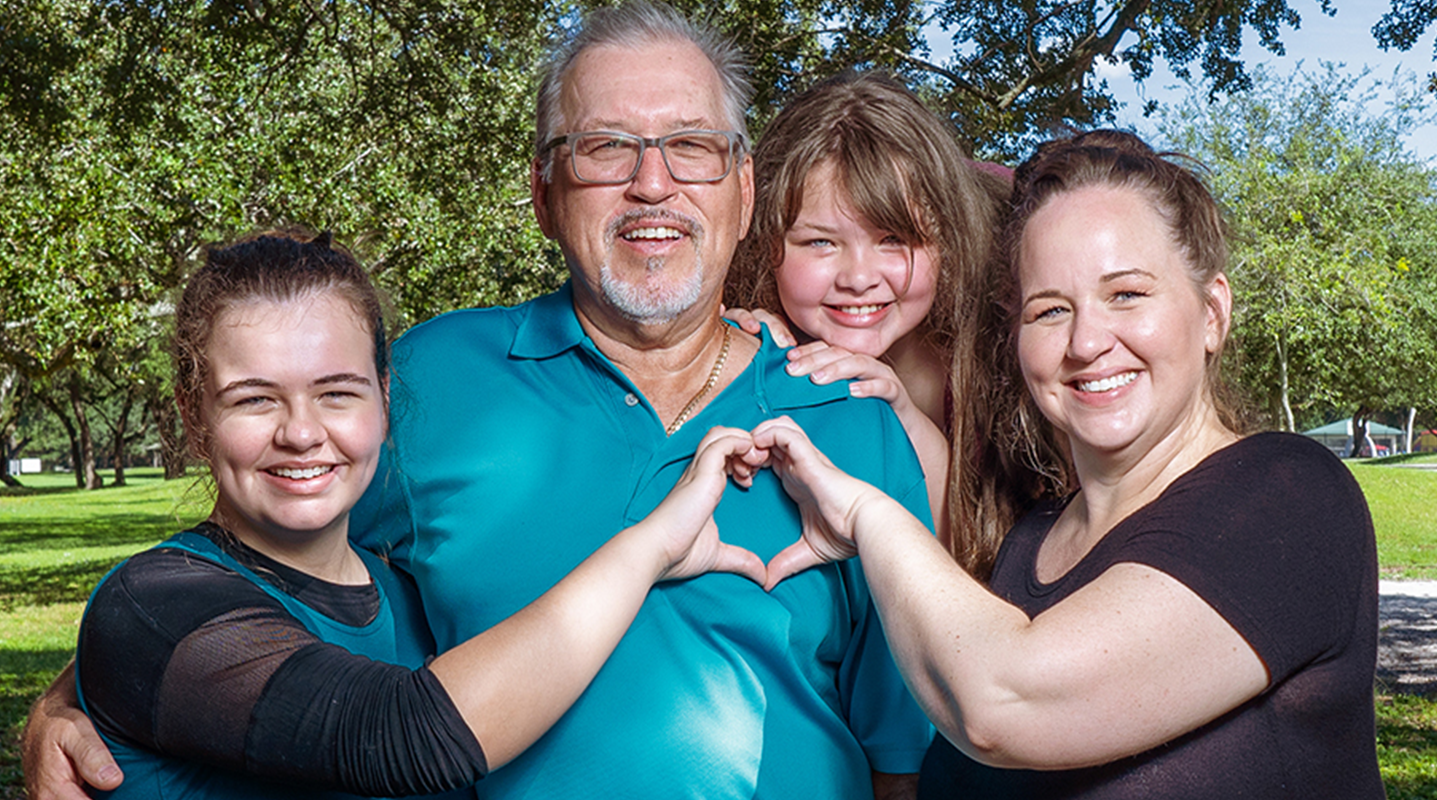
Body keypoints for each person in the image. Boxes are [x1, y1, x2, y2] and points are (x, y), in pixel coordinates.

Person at [23, 3, 934, 799]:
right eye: (604, 147)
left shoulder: (847, 413)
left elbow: (897, 751)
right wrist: (75, 695)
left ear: (740, 191)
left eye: (689, 146)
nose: (650, 183)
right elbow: (271, 571)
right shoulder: (431, 378)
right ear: (542, 192)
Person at [746, 130, 1384, 798]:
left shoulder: (1288, 498)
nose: (1085, 342)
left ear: (1211, 313)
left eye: (1127, 295)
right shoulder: (1027, 545)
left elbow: (1004, 705)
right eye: (1050, 310)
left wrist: (862, 514)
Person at [69, 229, 766, 799]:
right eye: (254, 399)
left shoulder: (411, 597)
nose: (302, 432)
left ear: (383, 396)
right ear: (195, 419)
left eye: (337, 392)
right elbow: (405, 735)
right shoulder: (155, 604)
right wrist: (650, 548)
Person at [723, 70, 1058, 573]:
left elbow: (961, 567)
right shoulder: (753, 330)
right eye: (820, 242)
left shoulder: (1007, 341)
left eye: (894, 240)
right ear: (765, 244)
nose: (858, 278)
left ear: (947, 240)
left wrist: (903, 411)